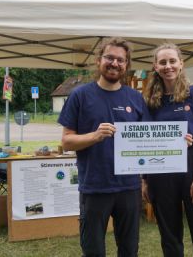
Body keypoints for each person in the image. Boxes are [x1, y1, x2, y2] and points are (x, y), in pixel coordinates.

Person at [59, 37, 150, 257]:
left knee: (129, 250)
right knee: (93, 251)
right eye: (109, 57)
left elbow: (147, 143)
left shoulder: (136, 98)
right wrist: (95, 136)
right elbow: (66, 142)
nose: (115, 63)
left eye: (121, 60)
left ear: (126, 65)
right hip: (95, 186)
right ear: (99, 60)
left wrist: (178, 142)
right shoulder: (80, 95)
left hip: (129, 187)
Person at [142, 43, 193, 257]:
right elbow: (143, 141)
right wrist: (145, 179)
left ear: (181, 64)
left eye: (172, 61)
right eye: (162, 62)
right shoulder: (150, 101)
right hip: (161, 175)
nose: (168, 66)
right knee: (170, 239)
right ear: (155, 66)